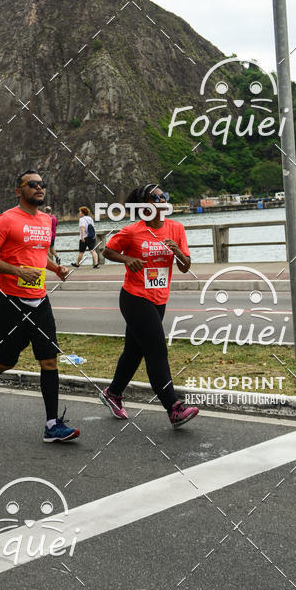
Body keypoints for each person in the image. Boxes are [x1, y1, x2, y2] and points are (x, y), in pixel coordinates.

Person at [0, 171, 80, 442]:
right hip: (10, 302)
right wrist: (17, 272)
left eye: (43, 184)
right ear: (19, 190)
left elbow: (39, 255)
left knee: (49, 360)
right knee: (7, 360)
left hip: (40, 301)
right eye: (33, 184)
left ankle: (52, 425)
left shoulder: (46, 220)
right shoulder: (6, 220)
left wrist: (56, 268)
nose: (40, 188)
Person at [100, 183, 199, 428]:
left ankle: (113, 393)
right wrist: (127, 258)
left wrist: (178, 253)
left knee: (134, 352)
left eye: (164, 195)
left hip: (159, 299)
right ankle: (173, 407)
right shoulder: (133, 231)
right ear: (144, 206)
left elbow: (185, 267)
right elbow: (107, 251)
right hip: (134, 297)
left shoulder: (176, 228)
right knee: (157, 350)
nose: (162, 199)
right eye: (156, 197)